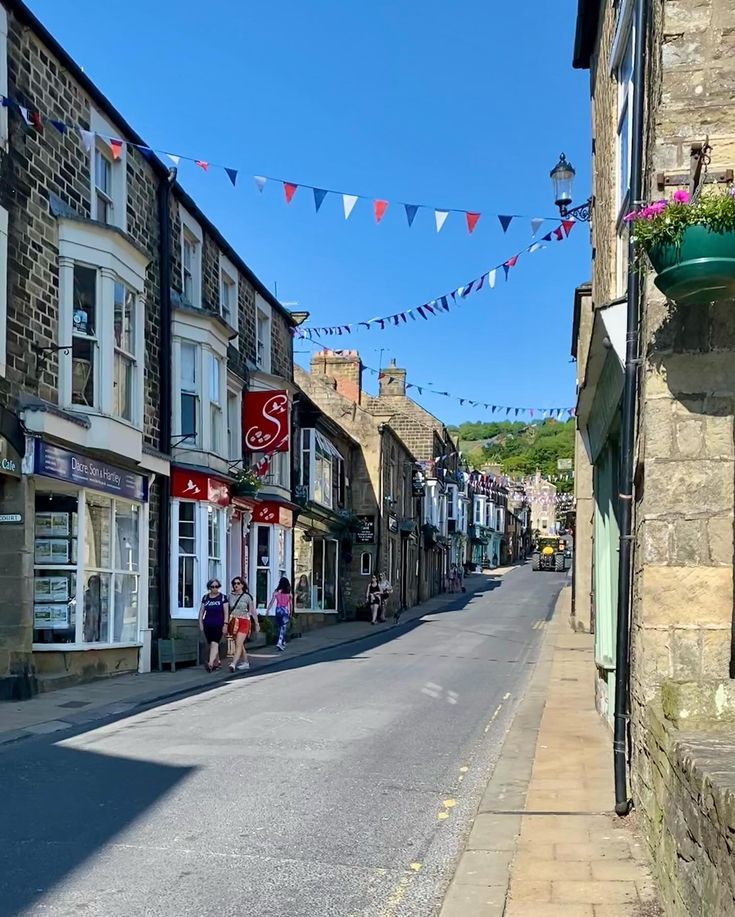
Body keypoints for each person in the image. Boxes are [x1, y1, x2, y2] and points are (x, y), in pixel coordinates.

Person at [198, 578, 229, 672]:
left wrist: (225, 624)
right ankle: (217, 662)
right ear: (209, 587)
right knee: (211, 644)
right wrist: (200, 622)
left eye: (216, 586)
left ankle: (210, 663)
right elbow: (201, 611)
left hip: (218, 624)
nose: (215, 588)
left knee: (215, 642)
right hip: (207, 623)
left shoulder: (223, 598)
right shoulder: (205, 598)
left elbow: (226, 612)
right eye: (212, 587)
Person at [228, 576, 258, 672]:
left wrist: (257, 623)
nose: (236, 585)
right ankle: (246, 662)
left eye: (238, 583)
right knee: (239, 643)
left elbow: (252, 611)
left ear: (242, 585)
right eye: (234, 584)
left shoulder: (247, 596)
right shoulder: (230, 596)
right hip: (233, 621)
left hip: (244, 620)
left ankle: (233, 664)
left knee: (239, 643)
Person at [267, 577, 292, 651]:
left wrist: (268, 609)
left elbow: (272, 602)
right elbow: (290, 604)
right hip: (285, 610)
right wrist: (290, 612)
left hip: (278, 610)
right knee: (283, 627)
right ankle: (280, 642)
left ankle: (283, 642)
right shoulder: (288, 593)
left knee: (279, 627)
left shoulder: (276, 592)